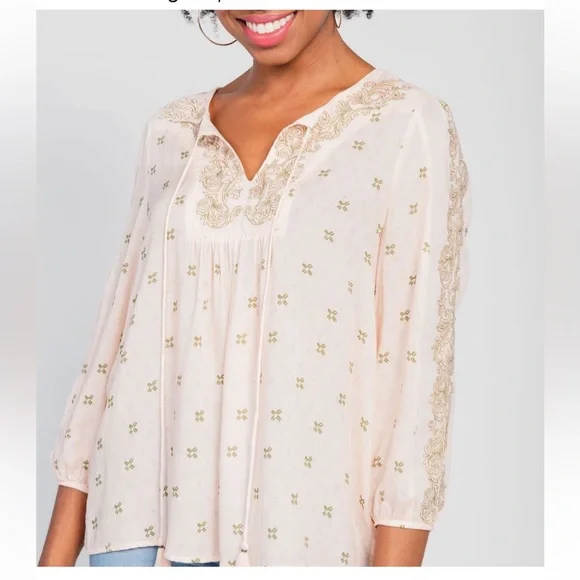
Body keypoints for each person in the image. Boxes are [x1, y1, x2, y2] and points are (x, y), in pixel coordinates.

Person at [39, 9, 471, 567]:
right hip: (134, 524)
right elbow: (109, 356)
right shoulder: (172, 131)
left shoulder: (406, 125)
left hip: (296, 532)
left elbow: (416, 384)